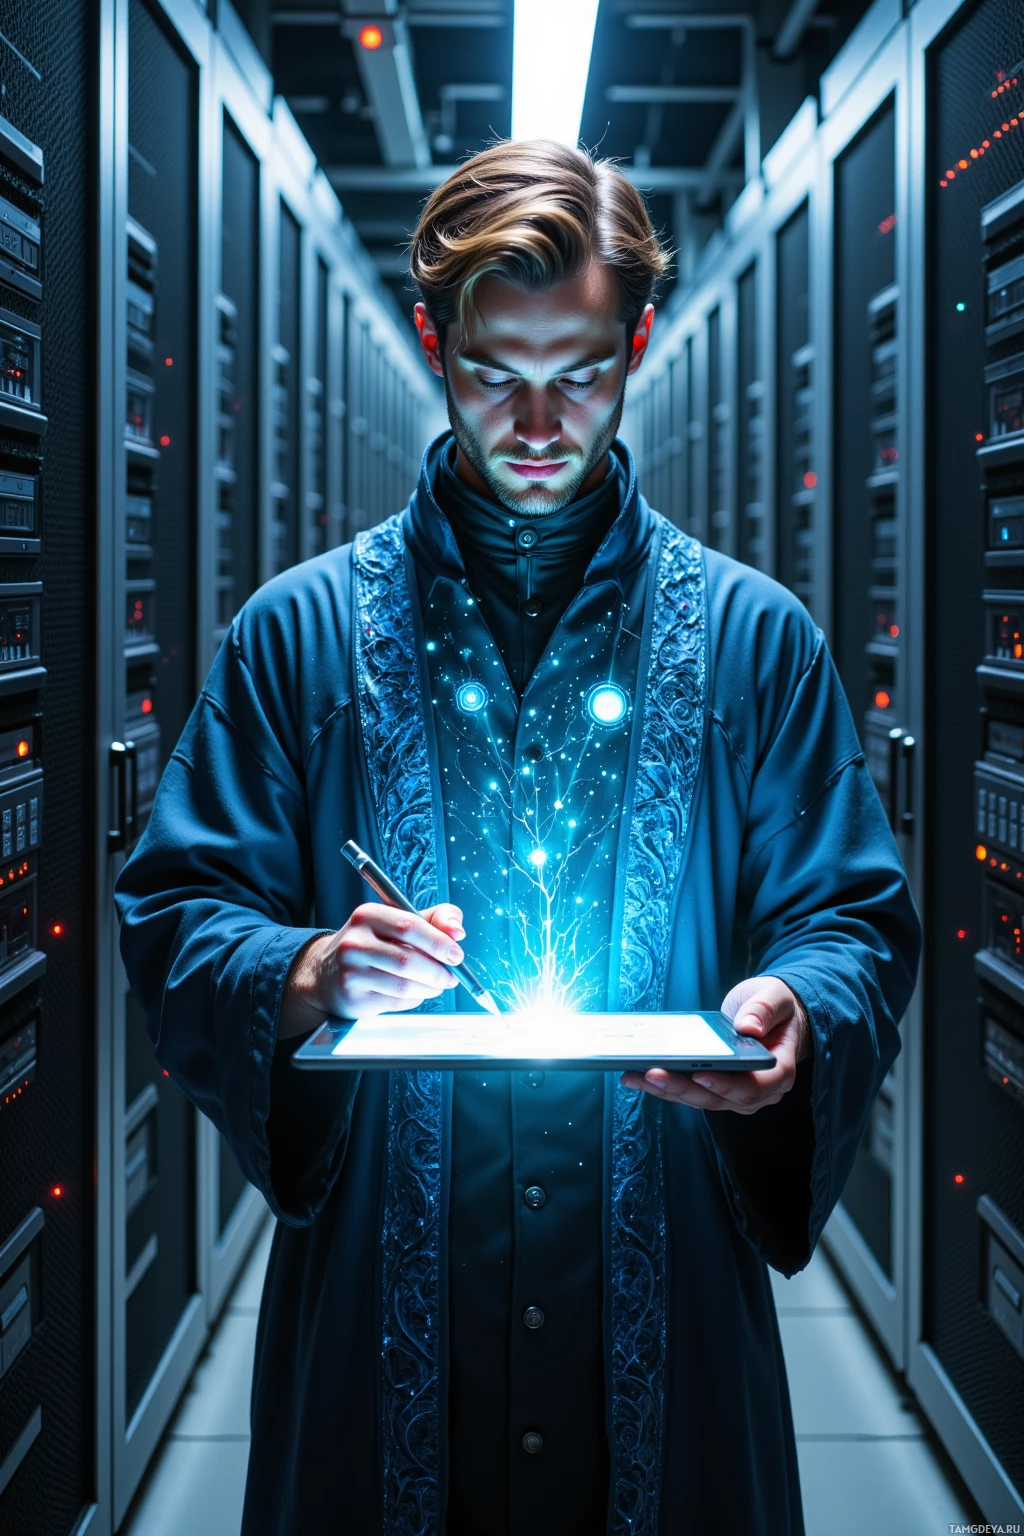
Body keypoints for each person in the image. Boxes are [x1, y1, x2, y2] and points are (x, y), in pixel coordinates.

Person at [115, 140, 920, 1536]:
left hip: (666, 1290)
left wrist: (800, 1006)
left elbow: (850, 916)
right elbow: (179, 907)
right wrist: (309, 971)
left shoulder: (755, 643)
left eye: (582, 374)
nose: (539, 424)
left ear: (639, 343)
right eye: (495, 375)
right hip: (383, 1310)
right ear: (434, 344)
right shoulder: (298, 638)